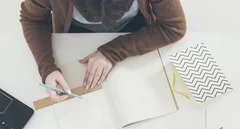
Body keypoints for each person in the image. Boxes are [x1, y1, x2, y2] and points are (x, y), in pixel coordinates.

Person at [19, 0, 187, 102]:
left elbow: (174, 27)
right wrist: (47, 68)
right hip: (74, 37)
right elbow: (32, 19)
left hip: (135, 34)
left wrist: (112, 52)